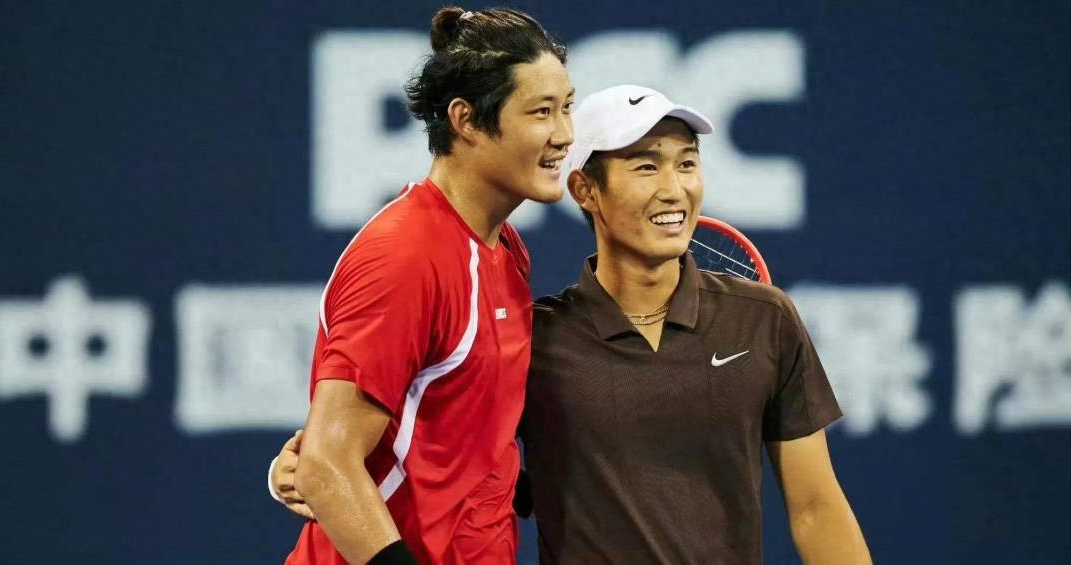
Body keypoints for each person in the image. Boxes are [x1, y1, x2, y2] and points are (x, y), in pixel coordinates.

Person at [275, 84, 870, 564]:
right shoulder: (535, 341)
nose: (675, 188)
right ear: (586, 189)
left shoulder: (764, 322)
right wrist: (305, 461)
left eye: (687, 163)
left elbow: (816, 507)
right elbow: (444, 456)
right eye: (646, 167)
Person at [278, 6, 574, 565]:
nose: (564, 135)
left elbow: (456, 426)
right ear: (465, 120)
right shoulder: (406, 257)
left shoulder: (504, 247)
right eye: (541, 112)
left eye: (566, 108)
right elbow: (326, 464)